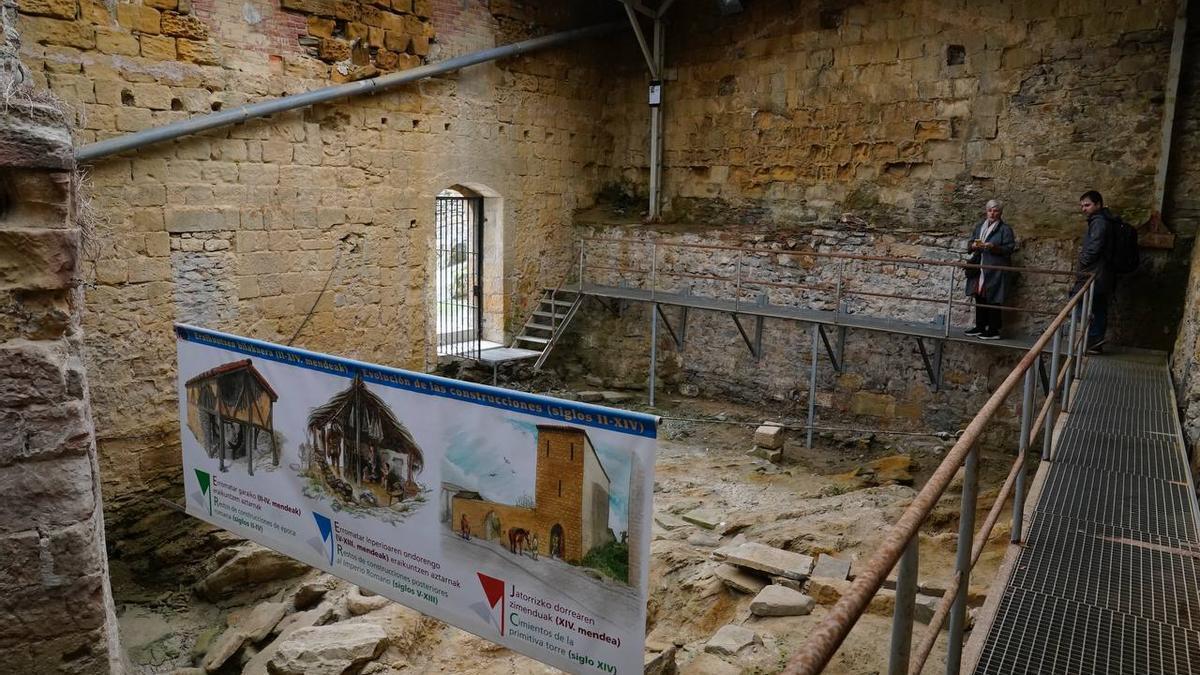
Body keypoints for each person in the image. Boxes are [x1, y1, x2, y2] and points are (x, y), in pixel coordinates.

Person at [964, 199, 1017, 340]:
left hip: (995, 269)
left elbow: (1009, 248)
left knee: (993, 298)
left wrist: (994, 247)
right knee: (979, 296)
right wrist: (973, 246)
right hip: (979, 266)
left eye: (996, 211)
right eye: (990, 210)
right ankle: (980, 326)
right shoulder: (980, 226)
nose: (992, 213)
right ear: (986, 211)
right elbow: (970, 243)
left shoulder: (1005, 229)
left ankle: (993, 330)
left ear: (1000, 213)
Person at [1075, 191, 1115, 354]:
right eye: (1082, 206)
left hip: (1096, 273)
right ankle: (1094, 341)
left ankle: (1092, 338)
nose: (1084, 209)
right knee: (1098, 306)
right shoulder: (1105, 220)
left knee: (1078, 300)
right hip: (1103, 273)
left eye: (1087, 205)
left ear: (1098, 204)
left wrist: (1083, 261)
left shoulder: (1099, 222)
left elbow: (1095, 247)